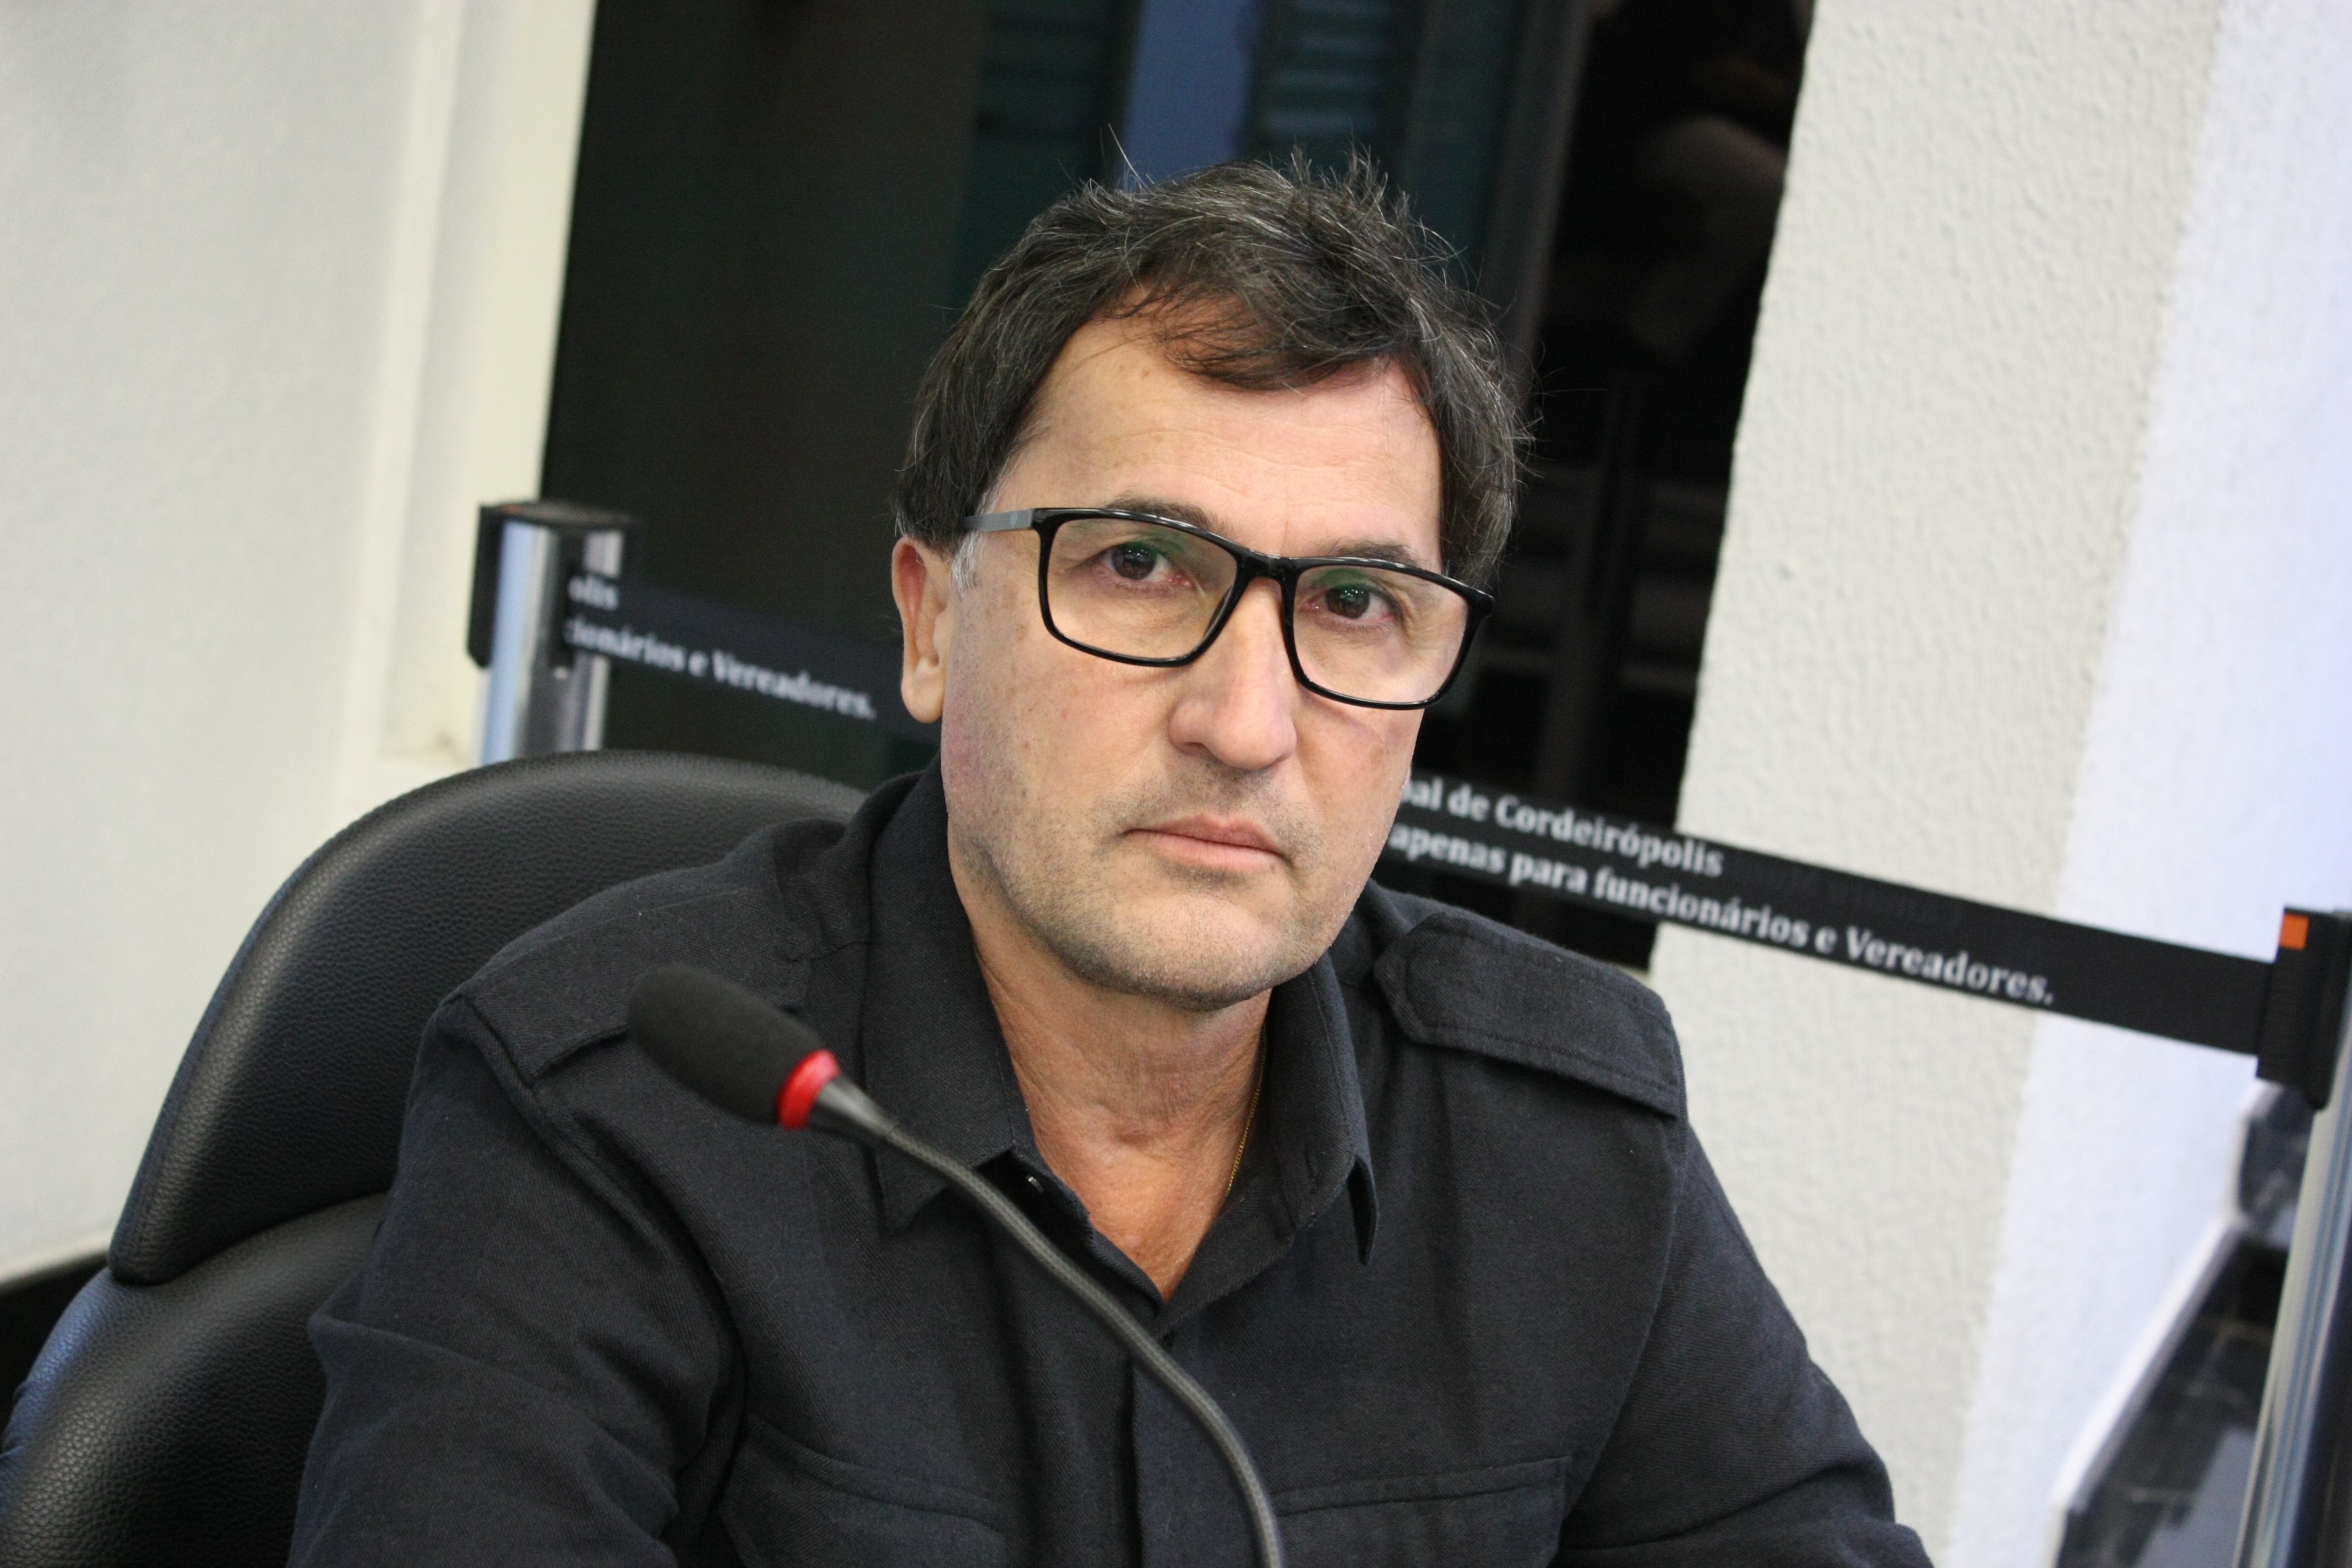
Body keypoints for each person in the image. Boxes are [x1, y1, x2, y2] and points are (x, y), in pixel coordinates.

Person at [290, 158, 1929, 1566]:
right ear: (933, 625)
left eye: (1356, 604)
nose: (1247, 723)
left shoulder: (1567, 1140)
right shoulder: (606, 1113)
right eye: (1141, 565)